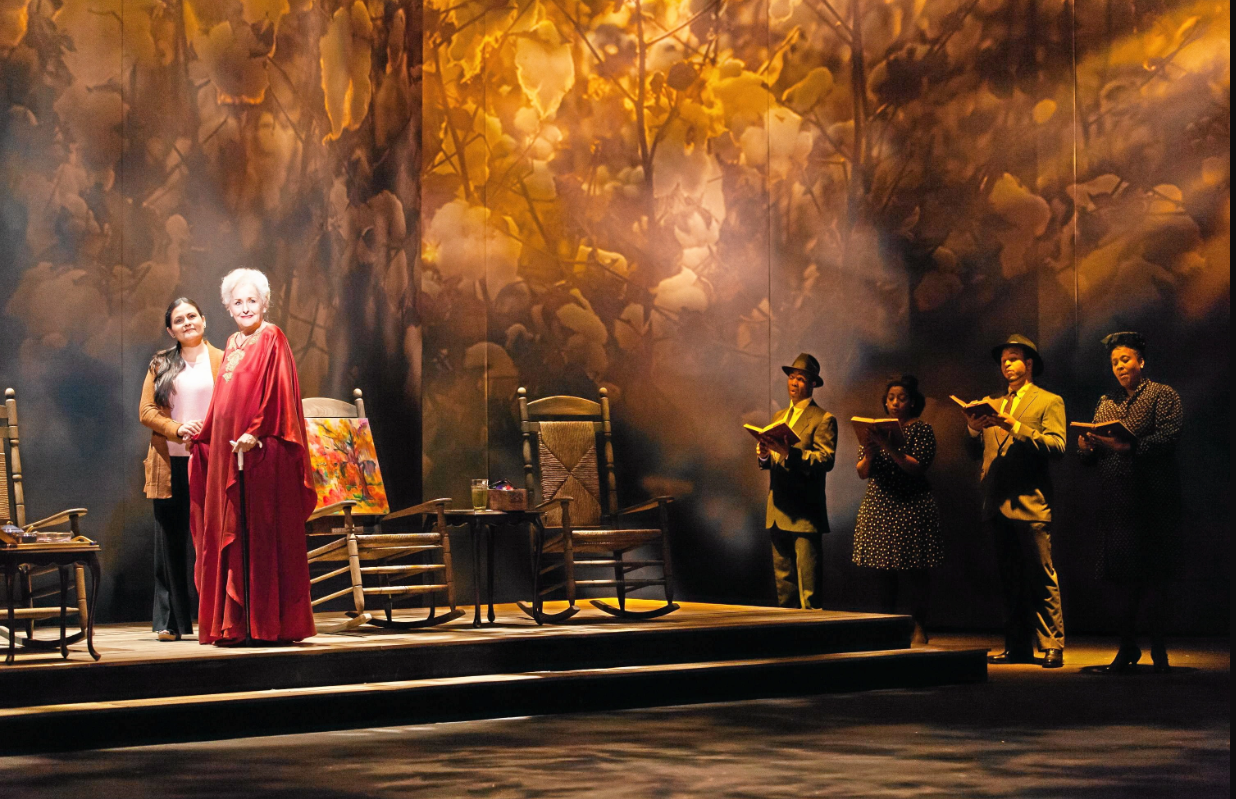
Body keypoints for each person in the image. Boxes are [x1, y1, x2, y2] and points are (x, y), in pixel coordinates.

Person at [189, 268, 317, 645]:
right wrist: (206, 433)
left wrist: (255, 431)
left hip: (259, 454)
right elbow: (222, 399)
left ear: (264, 303)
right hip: (230, 452)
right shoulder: (232, 342)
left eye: (252, 300)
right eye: (238, 302)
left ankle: (264, 624)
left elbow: (278, 391)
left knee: (257, 536)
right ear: (228, 308)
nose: (245, 308)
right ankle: (235, 623)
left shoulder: (273, 337)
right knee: (231, 534)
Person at [1078, 332, 1183, 673]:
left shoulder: (1162, 395)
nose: (1120, 367)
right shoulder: (1106, 402)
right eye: (1114, 363)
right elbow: (1093, 455)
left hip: (1152, 500)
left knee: (1154, 578)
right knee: (1122, 581)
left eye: (1125, 359)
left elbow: (1169, 436)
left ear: (1141, 361)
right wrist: (1087, 447)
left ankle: (1159, 651)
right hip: (1116, 504)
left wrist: (1131, 446)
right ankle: (1127, 647)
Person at [965, 335, 1067, 668]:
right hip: (997, 502)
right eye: (1003, 360)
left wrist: (1017, 426)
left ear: (1029, 363)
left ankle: (1052, 644)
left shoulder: (1048, 401)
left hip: (1030, 502)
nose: (1006, 364)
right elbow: (977, 452)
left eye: (1013, 358)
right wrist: (972, 429)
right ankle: (1017, 645)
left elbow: (1057, 446)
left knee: (1041, 575)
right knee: (1009, 578)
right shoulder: (991, 403)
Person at [139, 298, 223, 642]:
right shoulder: (161, 363)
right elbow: (146, 410)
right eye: (179, 320)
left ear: (204, 319)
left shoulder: (224, 359)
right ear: (170, 330)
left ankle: (220, 618)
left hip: (213, 461)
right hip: (170, 462)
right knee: (170, 541)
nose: (187, 322)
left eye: (192, 316)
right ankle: (171, 622)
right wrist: (177, 428)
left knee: (216, 540)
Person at [853, 375, 942, 644]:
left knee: (916, 571)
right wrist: (870, 452)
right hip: (880, 505)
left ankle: (919, 625)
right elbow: (862, 472)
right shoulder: (876, 430)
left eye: (901, 398)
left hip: (911, 505)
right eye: (890, 398)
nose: (894, 403)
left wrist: (889, 447)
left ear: (912, 402)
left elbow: (917, 467)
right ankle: (886, 628)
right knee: (883, 573)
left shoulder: (921, 430)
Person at [757, 353, 837, 610]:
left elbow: (825, 460)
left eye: (800, 379)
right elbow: (773, 461)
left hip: (804, 512)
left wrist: (789, 453)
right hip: (777, 509)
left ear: (812, 384)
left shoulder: (823, 418)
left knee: (808, 590)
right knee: (784, 587)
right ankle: (787, 631)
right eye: (791, 377)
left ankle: (812, 633)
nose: (793, 383)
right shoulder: (779, 416)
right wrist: (764, 455)